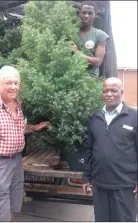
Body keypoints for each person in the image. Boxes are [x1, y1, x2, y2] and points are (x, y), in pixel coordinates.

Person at [0, 65, 50, 221]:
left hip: (16, 161)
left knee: (12, 204)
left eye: (16, 83)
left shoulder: (16, 103)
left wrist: (34, 127)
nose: (13, 87)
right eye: (9, 83)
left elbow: (16, 127)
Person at [82, 77, 137, 221]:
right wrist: (86, 177)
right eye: (105, 90)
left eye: (114, 90)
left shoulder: (133, 117)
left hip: (124, 185)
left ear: (122, 92)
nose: (109, 94)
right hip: (100, 183)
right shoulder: (95, 118)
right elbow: (88, 149)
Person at [72, 1, 109, 76]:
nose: (86, 16)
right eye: (84, 12)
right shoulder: (70, 32)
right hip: (70, 76)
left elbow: (98, 62)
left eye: (90, 13)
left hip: (90, 80)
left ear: (95, 15)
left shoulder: (100, 35)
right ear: (79, 13)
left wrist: (77, 53)